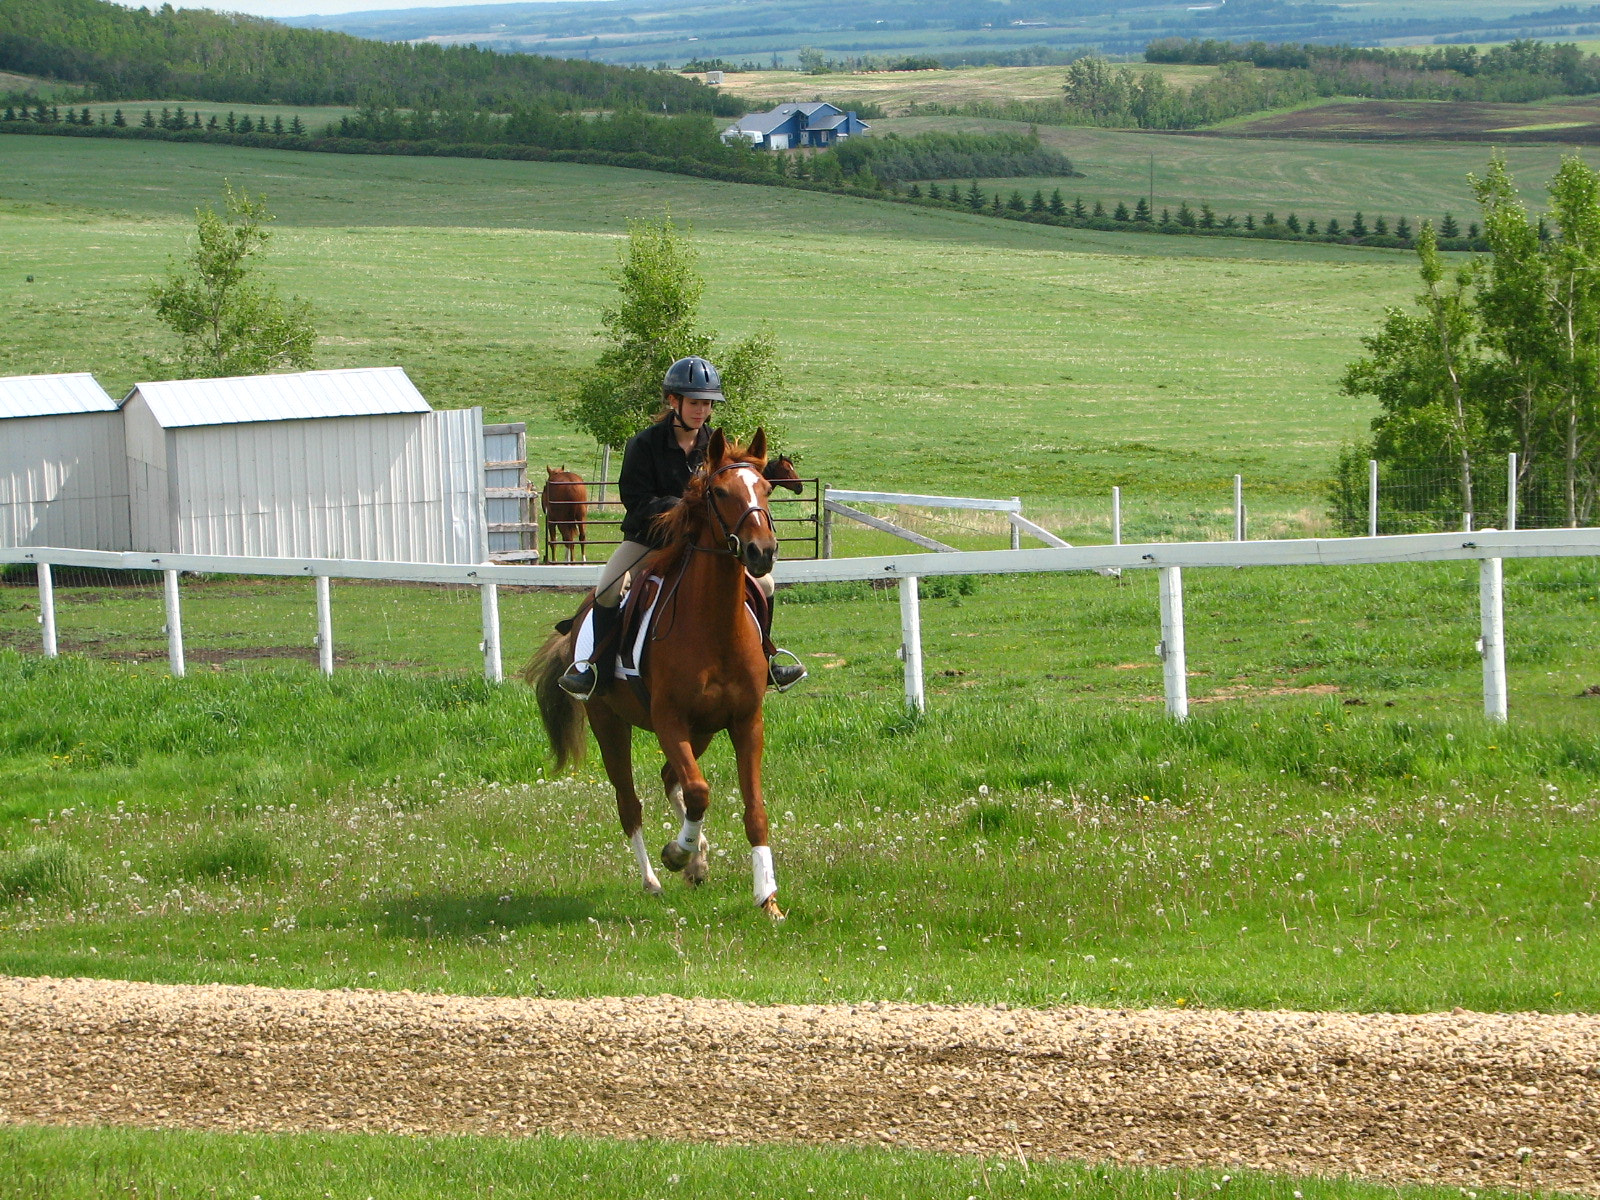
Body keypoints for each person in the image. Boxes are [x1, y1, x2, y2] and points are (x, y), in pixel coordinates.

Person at [557, 356, 807, 699]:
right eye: (694, 402)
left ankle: (768, 659)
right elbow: (635, 499)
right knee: (609, 588)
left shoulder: (714, 448)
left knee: (764, 583)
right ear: (673, 401)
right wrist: (680, 512)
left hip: (704, 545)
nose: (701, 411)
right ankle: (595, 669)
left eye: (707, 404)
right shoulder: (644, 445)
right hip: (650, 540)